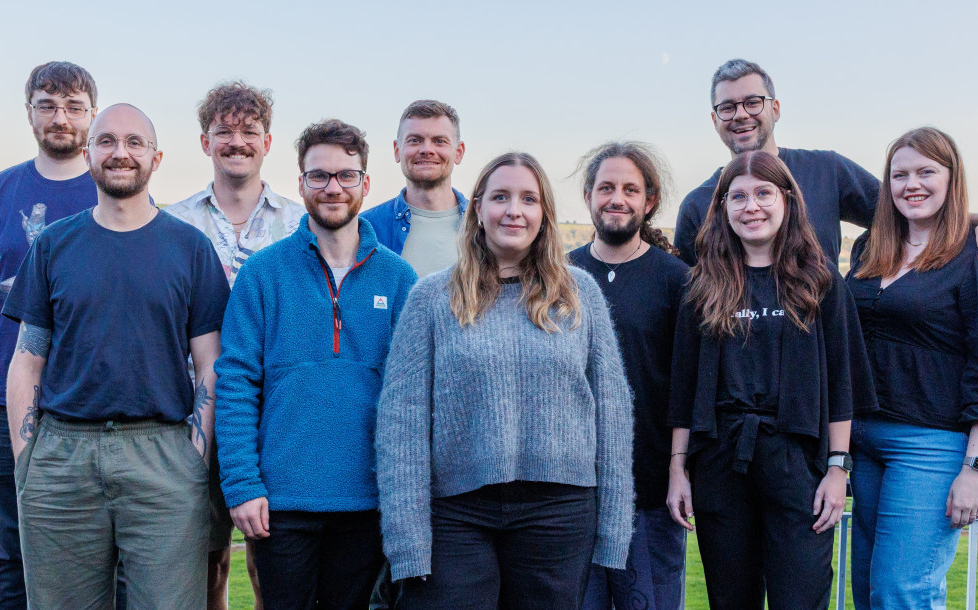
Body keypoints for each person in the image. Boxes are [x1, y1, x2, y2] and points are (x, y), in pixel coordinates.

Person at [376, 152, 635, 609]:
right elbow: (402, 425)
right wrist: (407, 541)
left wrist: (614, 529)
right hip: (456, 515)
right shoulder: (431, 298)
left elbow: (613, 414)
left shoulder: (581, 295)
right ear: (477, 208)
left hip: (559, 514)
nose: (514, 210)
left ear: (544, 214)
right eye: (500, 197)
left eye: (528, 199)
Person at [3, 104, 230, 609]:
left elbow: (211, 365)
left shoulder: (191, 249)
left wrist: (194, 457)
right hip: (61, 458)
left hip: (163, 456)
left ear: (156, 158)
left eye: (134, 142)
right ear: (88, 154)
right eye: (106, 141)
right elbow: (26, 359)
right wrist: (28, 461)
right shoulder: (53, 245)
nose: (120, 152)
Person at [215, 119, 417, 609]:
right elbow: (236, 384)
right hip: (281, 503)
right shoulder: (263, 274)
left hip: (367, 500)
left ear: (365, 183)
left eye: (346, 175)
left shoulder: (398, 278)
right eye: (319, 175)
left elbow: (413, 397)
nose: (333, 187)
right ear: (302, 183)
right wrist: (241, 485)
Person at [666, 151, 877, 609]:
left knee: (801, 598)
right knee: (730, 600)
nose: (752, 207)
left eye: (763, 193)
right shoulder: (702, 285)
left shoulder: (820, 281)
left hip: (798, 462)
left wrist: (837, 470)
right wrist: (678, 470)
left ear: (787, 200)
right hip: (720, 461)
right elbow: (684, 388)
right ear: (722, 207)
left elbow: (842, 385)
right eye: (738, 197)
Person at [846, 127, 978, 609]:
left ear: (951, 178)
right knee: (867, 589)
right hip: (865, 441)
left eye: (926, 172)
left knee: (903, 591)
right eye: (899, 174)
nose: (912, 184)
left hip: (931, 446)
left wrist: (976, 470)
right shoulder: (869, 247)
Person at [0, 60, 99, 609]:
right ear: (29, 113)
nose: (60, 118)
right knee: (8, 556)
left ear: (91, 115)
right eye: (47, 105)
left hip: (84, 401)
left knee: (93, 555)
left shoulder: (114, 189)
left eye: (74, 107)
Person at [165, 81, 304, 610]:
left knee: (271, 558)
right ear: (205, 142)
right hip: (191, 408)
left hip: (274, 411)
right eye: (224, 131)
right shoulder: (173, 223)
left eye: (249, 131)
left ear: (267, 142)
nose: (237, 142)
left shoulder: (299, 223)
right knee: (204, 559)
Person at [673, 58, 978, 272]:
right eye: (728, 107)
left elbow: (905, 211)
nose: (741, 115)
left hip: (825, 349)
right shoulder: (698, 205)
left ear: (775, 109)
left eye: (752, 102)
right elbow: (688, 298)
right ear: (715, 120)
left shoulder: (828, 171)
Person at [566, 142, 690, 610]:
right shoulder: (560, 275)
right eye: (606, 188)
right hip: (573, 491)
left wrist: (679, 470)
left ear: (649, 201)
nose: (616, 198)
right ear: (588, 196)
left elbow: (685, 388)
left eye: (630, 189)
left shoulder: (678, 280)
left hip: (651, 490)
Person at [360, 99, 468, 276]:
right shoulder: (365, 229)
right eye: (414, 140)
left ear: (459, 152)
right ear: (397, 150)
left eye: (439, 141)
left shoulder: (484, 226)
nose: (426, 149)